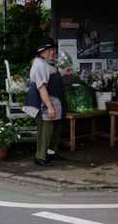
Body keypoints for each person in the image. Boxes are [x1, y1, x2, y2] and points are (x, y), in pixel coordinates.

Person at [22, 37, 72, 166]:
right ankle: (40, 157)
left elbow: (50, 79)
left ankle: (50, 153)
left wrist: (62, 74)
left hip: (53, 101)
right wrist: (50, 107)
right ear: (41, 51)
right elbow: (42, 87)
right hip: (42, 104)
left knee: (55, 128)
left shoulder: (48, 63)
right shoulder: (39, 65)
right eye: (48, 49)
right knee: (46, 130)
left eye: (53, 49)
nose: (52, 52)